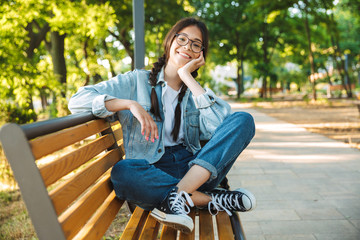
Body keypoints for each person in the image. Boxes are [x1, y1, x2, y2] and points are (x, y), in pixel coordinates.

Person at [68, 17, 256, 233]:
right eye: (182, 39)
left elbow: (220, 128)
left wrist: (187, 77)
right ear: (170, 41)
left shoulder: (196, 93)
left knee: (243, 119)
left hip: (196, 169)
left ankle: (176, 199)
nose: (187, 46)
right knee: (122, 172)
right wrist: (129, 104)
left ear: (201, 54)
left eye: (196, 44)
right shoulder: (136, 81)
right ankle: (207, 199)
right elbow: (77, 100)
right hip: (153, 174)